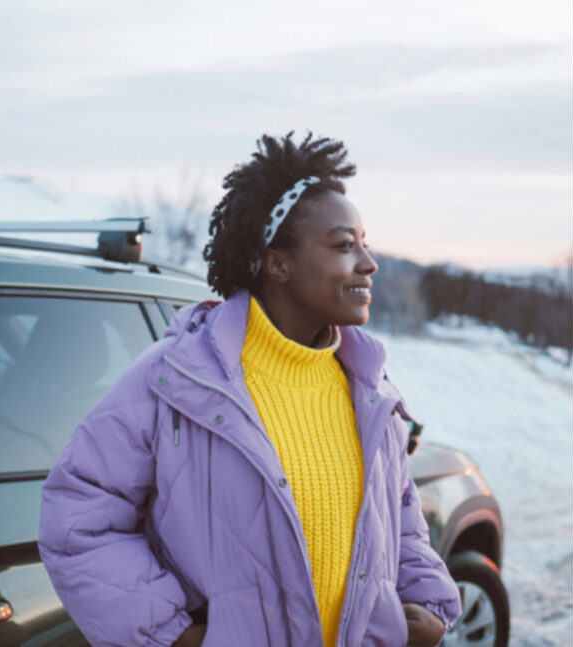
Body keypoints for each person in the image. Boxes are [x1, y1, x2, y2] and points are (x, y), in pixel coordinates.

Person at [38, 132, 461, 647]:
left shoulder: (370, 387)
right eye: (344, 246)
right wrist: (172, 635)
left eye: (364, 244)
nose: (368, 263)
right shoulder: (176, 377)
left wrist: (430, 604)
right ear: (277, 263)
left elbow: (399, 515)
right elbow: (77, 518)